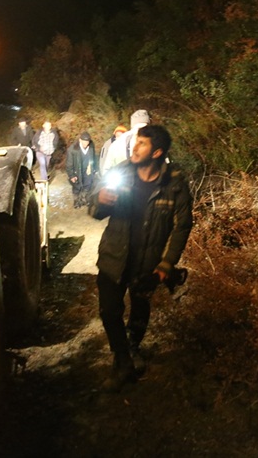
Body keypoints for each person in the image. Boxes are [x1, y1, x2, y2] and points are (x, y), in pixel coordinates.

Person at [90, 124, 193, 392]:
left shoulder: (174, 185)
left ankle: (131, 350)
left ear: (157, 152)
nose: (134, 148)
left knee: (139, 310)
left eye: (142, 144)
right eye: (135, 142)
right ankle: (124, 361)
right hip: (114, 257)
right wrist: (101, 201)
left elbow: (182, 226)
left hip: (146, 264)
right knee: (109, 312)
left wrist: (166, 264)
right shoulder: (120, 173)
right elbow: (95, 210)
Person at [100, 109, 149, 174]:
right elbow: (106, 169)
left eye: (146, 129)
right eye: (139, 129)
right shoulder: (118, 145)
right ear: (132, 129)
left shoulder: (155, 143)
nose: (142, 132)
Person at [66, 132, 98, 208]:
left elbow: (93, 158)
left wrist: (93, 168)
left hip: (88, 170)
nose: (85, 143)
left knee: (88, 185)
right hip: (77, 171)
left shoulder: (91, 147)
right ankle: (76, 201)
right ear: (80, 140)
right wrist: (71, 175)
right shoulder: (73, 149)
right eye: (83, 141)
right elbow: (69, 164)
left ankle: (84, 199)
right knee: (77, 186)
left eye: (87, 141)